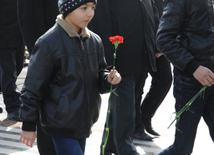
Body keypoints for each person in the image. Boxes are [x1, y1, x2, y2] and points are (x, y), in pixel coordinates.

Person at [19, 0, 121, 154]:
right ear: (67, 9)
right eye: (83, 8)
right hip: (60, 123)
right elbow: (33, 87)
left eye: (93, 8)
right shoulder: (48, 42)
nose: (90, 13)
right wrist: (28, 124)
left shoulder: (94, 41)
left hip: (83, 122)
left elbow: (99, 75)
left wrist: (108, 80)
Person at [88, 0, 157, 154]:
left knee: (125, 101)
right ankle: (124, 146)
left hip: (140, 47)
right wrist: (105, 54)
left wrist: (154, 44)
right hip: (120, 50)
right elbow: (101, 17)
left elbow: (152, 9)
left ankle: (110, 144)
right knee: (124, 101)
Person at [156, 0, 214, 154]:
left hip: (212, 77)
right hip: (190, 81)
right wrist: (193, 67)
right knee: (182, 148)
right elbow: (164, 39)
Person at [17, 0, 59, 154]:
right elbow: (29, 21)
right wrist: (42, 55)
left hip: (71, 52)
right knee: (47, 105)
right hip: (49, 55)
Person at [133, 0, 172, 141]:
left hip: (161, 47)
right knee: (138, 87)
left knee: (165, 80)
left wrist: (162, 46)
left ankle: (145, 117)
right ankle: (136, 126)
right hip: (143, 44)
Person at [0, 0, 24, 121]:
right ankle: (13, 107)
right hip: (3, 34)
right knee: (8, 72)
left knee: (17, 67)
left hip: (18, 33)